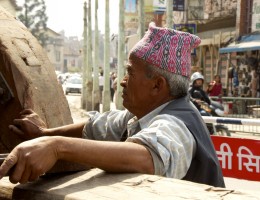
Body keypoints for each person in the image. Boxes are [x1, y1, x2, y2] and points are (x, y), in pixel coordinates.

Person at [0, 22, 225, 187]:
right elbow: (96, 126)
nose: (122, 81)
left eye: (129, 73)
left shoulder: (176, 124)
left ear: (157, 86)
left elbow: (146, 157)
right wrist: (45, 133)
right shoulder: (139, 114)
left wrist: (56, 146)